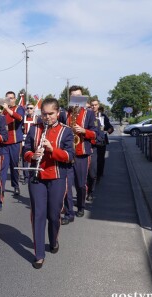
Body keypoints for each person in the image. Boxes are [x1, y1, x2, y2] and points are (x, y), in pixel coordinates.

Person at [23, 97, 74, 269]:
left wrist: (53, 150)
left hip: (57, 176)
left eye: (50, 114)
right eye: (44, 114)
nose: (47, 117)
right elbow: (25, 151)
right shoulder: (34, 130)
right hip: (37, 177)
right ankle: (39, 254)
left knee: (53, 215)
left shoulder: (66, 131)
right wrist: (32, 155)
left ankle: (53, 240)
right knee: (38, 214)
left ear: (58, 113)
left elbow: (70, 156)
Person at [61, 86, 98, 225]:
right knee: (66, 184)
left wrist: (83, 130)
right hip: (67, 154)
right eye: (74, 97)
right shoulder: (65, 114)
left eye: (79, 97)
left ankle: (81, 206)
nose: (76, 100)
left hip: (82, 153)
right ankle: (69, 211)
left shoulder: (89, 114)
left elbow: (96, 134)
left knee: (80, 184)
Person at [0, 91, 25, 195]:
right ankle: (1, 188)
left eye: (11, 98)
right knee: (3, 166)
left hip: (15, 142)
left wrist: (7, 109)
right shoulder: (3, 111)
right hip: (4, 143)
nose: (9, 100)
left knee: (14, 165)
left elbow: (20, 118)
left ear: (15, 99)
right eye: (7, 98)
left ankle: (15, 185)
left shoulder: (19, 108)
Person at [89, 100, 114, 178]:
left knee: (100, 159)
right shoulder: (88, 116)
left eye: (95, 105)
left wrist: (107, 130)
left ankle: (99, 174)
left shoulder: (102, 116)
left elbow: (110, 127)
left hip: (101, 141)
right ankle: (92, 175)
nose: (94, 107)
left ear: (98, 106)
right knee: (92, 160)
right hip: (91, 141)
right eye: (92, 105)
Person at [21, 103, 37, 184]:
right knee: (25, 159)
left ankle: (34, 175)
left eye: (31, 108)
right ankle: (26, 177)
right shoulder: (23, 118)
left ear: (34, 110)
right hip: (25, 140)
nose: (29, 110)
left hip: (34, 141)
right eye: (28, 108)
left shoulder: (37, 118)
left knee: (35, 158)